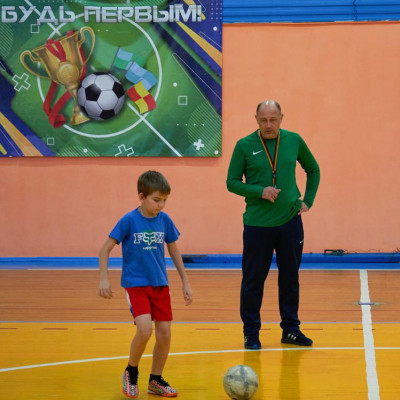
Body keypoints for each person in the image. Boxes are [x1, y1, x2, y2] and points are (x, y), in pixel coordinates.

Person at [226, 100, 320, 350]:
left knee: (290, 279)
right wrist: (259, 191)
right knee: (253, 280)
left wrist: (308, 200)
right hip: (257, 225)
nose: (268, 125)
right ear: (256, 119)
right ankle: (251, 333)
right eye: (264, 120)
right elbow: (232, 182)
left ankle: (291, 330)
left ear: (281, 118)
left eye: (273, 120)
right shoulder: (244, 145)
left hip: (290, 222)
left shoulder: (294, 140)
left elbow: (313, 169)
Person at [99, 170, 193, 398]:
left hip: (159, 284)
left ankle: (155, 380)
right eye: (156, 200)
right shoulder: (129, 220)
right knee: (144, 329)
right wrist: (104, 278)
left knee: (165, 334)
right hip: (136, 284)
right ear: (141, 197)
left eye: (165, 200)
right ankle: (130, 372)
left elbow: (174, 250)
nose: (161, 205)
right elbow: (105, 249)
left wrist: (185, 282)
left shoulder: (165, 220)